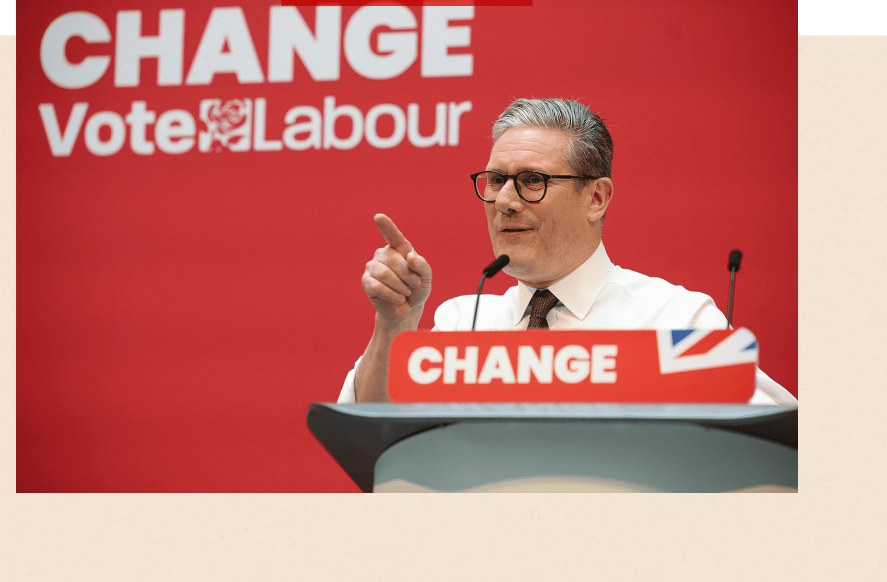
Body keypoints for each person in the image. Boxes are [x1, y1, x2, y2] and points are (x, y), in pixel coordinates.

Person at [338, 98, 796, 405]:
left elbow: (776, 447)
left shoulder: (674, 319)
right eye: (496, 180)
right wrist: (395, 323)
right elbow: (378, 432)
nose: (504, 200)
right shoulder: (463, 325)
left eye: (533, 180)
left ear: (596, 198)